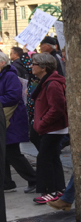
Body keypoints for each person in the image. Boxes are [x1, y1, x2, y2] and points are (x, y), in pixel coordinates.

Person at [30, 53, 68, 204]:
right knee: (52, 158)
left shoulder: (52, 84)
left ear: (43, 67)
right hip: (51, 128)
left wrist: (41, 123)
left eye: (34, 64)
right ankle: (58, 189)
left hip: (53, 129)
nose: (31, 66)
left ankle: (49, 191)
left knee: (44, 159)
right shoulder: (47, 82)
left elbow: (57, 108)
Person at [0, 52, 37, 194]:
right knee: (5, 152)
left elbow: (13, 96)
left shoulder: (9, 76)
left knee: (12, 153)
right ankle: (7, 183)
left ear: (2, 63)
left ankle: (33, 179)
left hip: (12, 120)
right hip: (7, 119)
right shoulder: (6, 75)